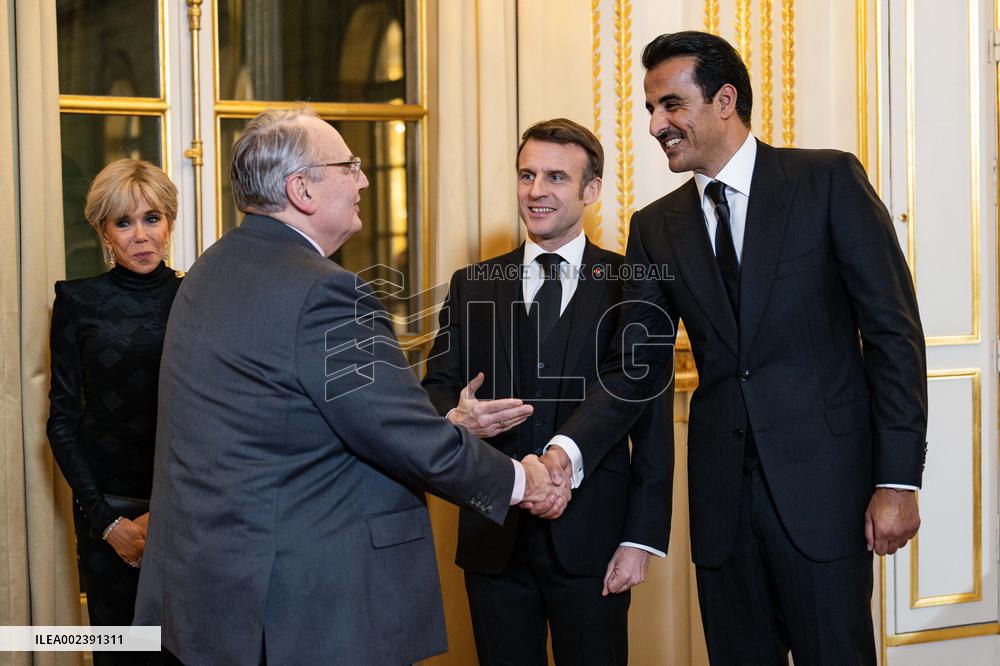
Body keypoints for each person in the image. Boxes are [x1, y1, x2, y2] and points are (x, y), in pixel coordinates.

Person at [542, 31, 927, 665]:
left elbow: (893, 333)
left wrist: (897, 479)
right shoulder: (654, 226)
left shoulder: (827, 179)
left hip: (827, 493)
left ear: (725, 100)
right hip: (721, 508)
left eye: (671, 105)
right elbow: (638, 367)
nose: (656, 124)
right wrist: (567, 450)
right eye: (650, 110)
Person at [133, 107, 568, 665]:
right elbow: (399, 432)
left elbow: (292, 416)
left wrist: (449, 424)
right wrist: (521, 480)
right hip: (305, 607)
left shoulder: (211, 270)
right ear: (302, 190)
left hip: (218, 595)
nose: (363, 179)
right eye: (349, 166)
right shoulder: (325, 294)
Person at [421, 118, 672, 666]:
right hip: (494, 538)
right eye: (526, 175)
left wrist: (640, 539)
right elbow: (435, 393)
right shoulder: (472, 284)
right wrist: (456, 417)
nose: (537, 191)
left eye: (556, 177)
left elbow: (650, 424)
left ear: (590, 191)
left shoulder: (631, 282)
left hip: (595, 542)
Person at [47, 159, 183, 664]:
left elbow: (218, 417)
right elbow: (62, 419)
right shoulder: (77, 301)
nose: (141, 236)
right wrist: (107, 523)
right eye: (123, 222)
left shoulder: (198, 296)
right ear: (104, 231)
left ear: (170, 223)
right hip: (109, 518)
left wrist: (167, 512)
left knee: (185, 652)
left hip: (189, 512)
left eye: (152, 218)